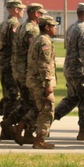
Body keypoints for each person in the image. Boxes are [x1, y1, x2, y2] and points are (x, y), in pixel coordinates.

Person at [54, 2, 84, 140]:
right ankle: (83, 131)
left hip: (69, 69)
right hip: (80, 70)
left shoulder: (72, 27)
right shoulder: (83, 29)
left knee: (72, 99)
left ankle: (47, 120)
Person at [0, 0, 24, 139]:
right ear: (15, 10)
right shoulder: (14, 25)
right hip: (9, 64)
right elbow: (16, 45)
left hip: (2, 62)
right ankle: (6, 129)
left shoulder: (2, 24)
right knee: (13, 96)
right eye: (20, 9)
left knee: (10, 95)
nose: (22, 11)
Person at [9, 2, 45, 145]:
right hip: (27, 72)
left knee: (27, 102)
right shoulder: (32, 30)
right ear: (36, 14)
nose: (42, 17)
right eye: (41, 14)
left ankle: (11, 124)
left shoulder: (22, 27)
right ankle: (26, 130)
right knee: (34, 103)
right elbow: (34, 53)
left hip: (19, 70)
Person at [27, 15, 58, 149]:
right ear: (47, 27)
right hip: (40, 82)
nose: (55, 28)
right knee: (47, 109)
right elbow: (44, 64)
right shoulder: (45, 41)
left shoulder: (37, 39)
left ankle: (24, 129)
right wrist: (48, 84)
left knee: (39, 109)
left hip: (34, 80)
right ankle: (40, 140)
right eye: (53, 26)